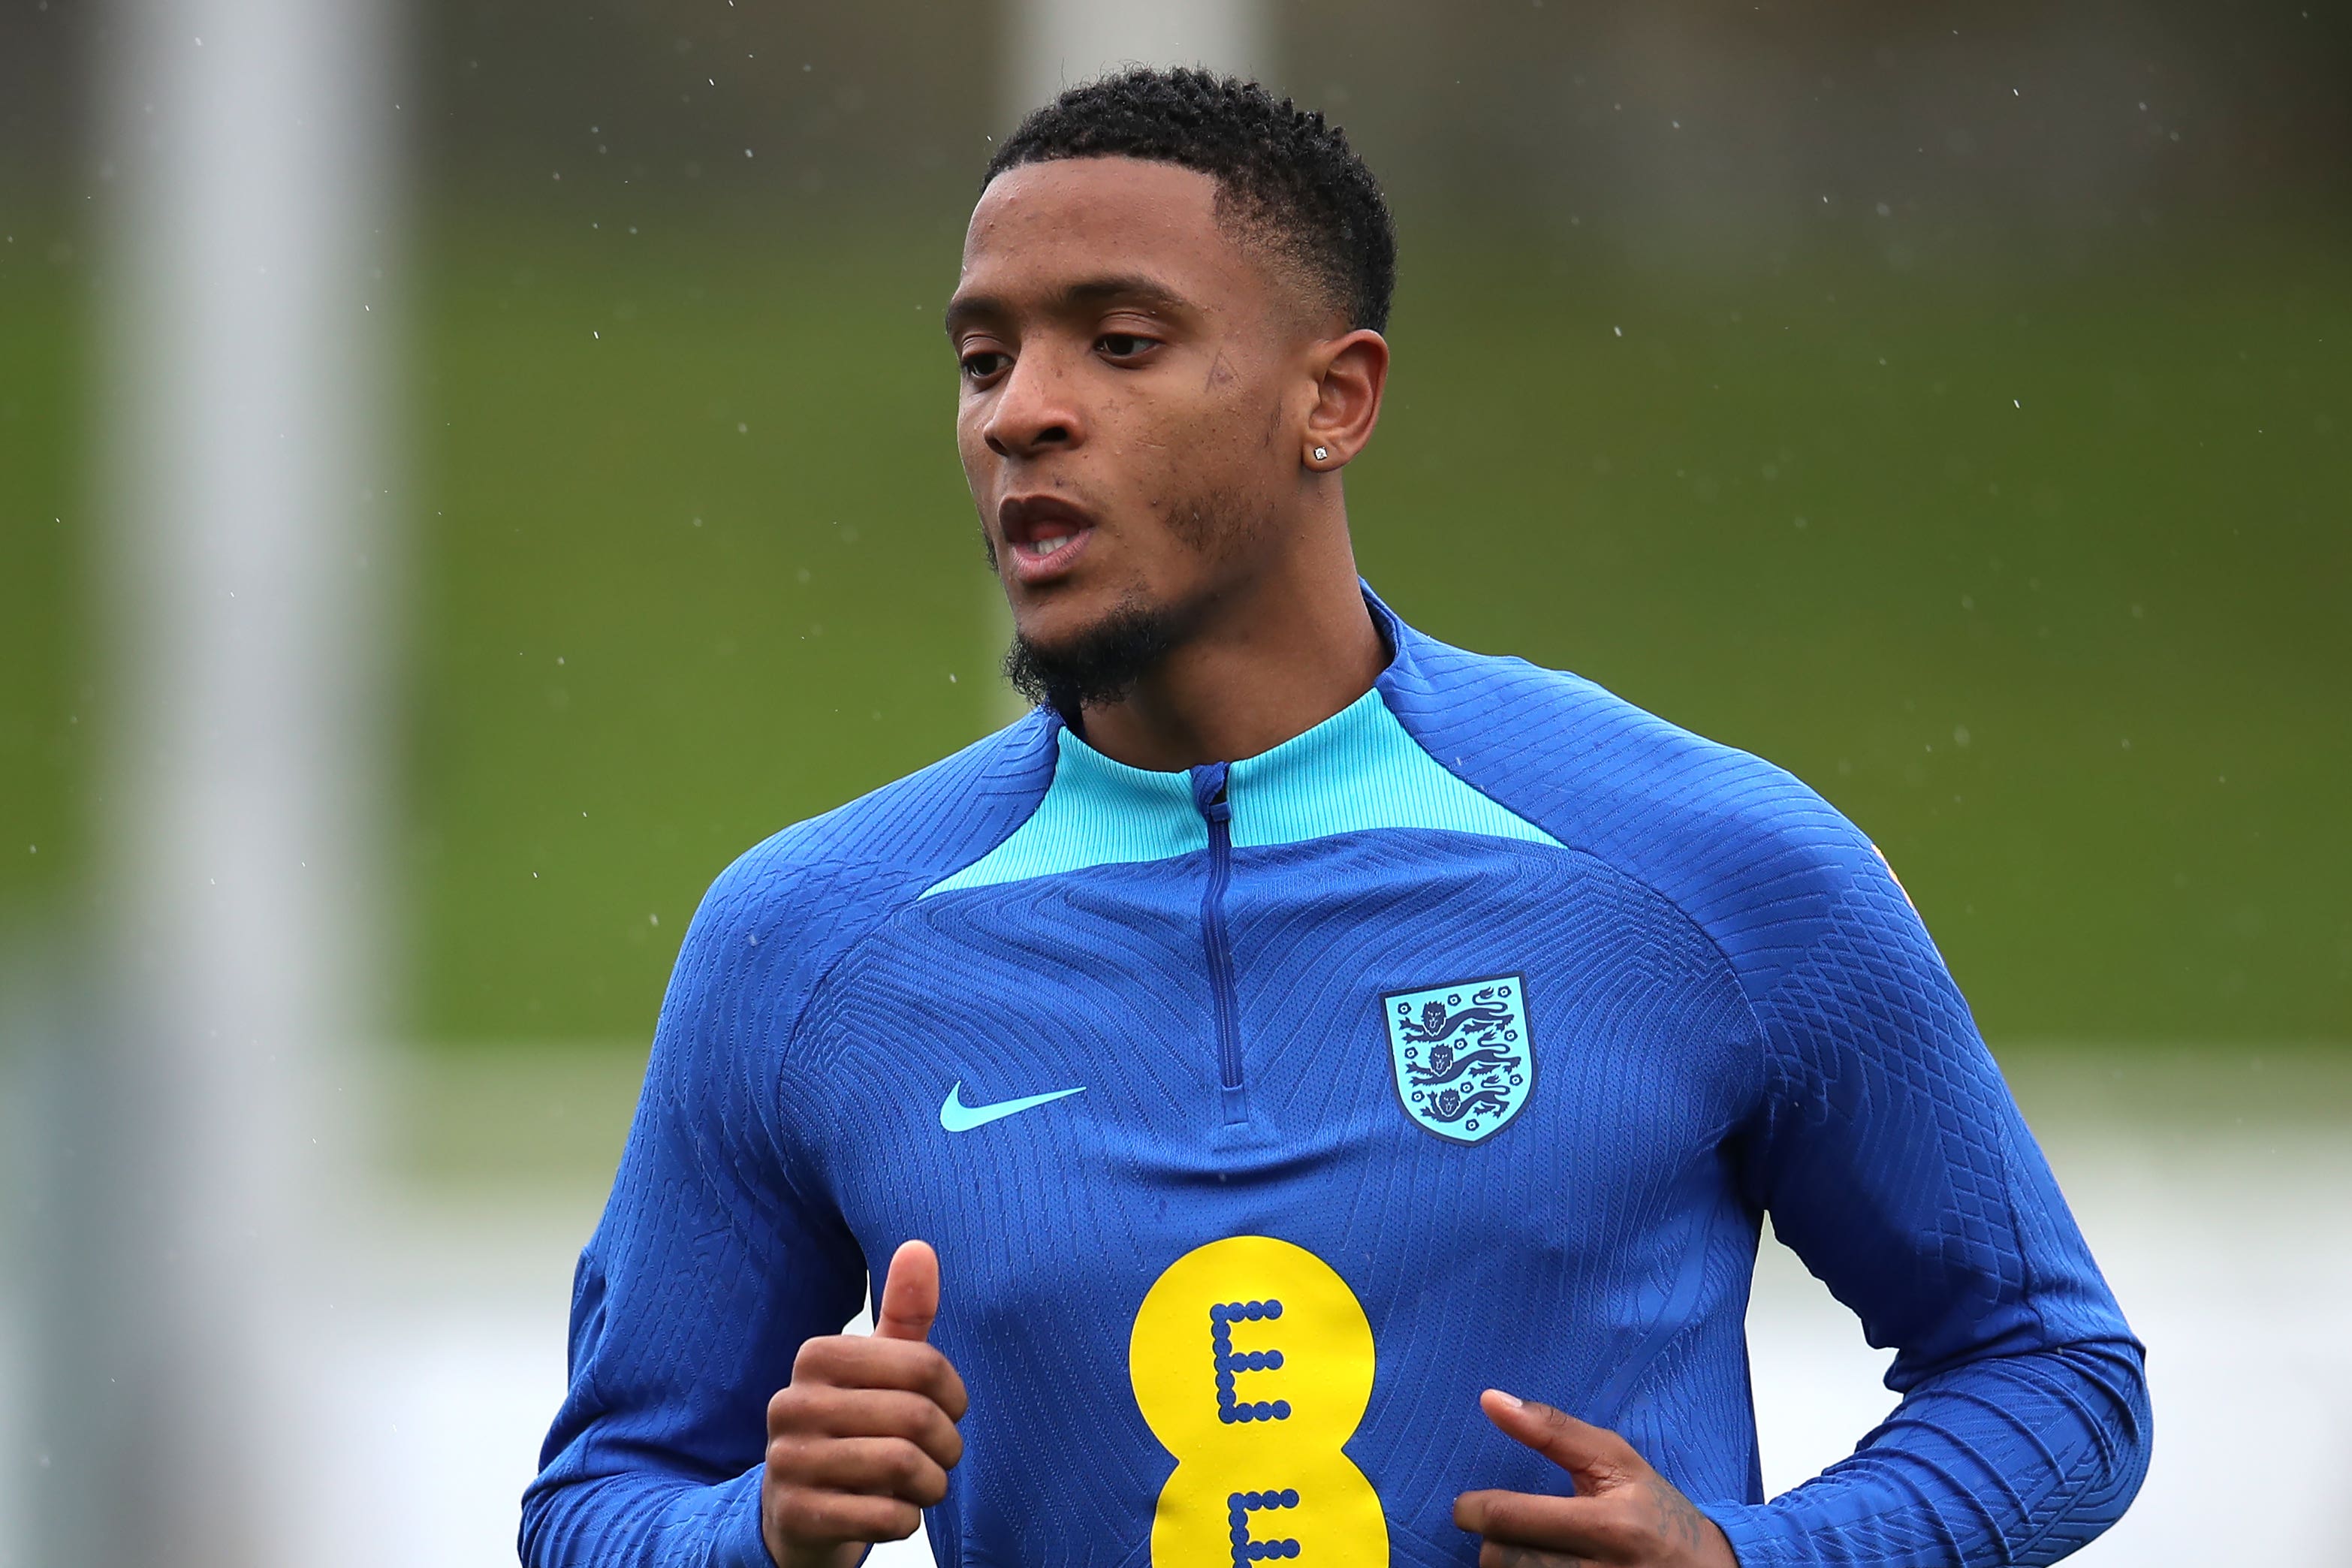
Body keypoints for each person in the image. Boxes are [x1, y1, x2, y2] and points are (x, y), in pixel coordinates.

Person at [521, 68, 2149, 1568]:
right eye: (983, 356)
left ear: (1338, 398)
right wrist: (758, 1531)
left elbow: (2053, 1375)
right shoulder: (805, 943)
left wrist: (1758, 1557)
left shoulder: (1708, 864)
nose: (1022, 410)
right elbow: (600, 1503)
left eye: (1121, 341)